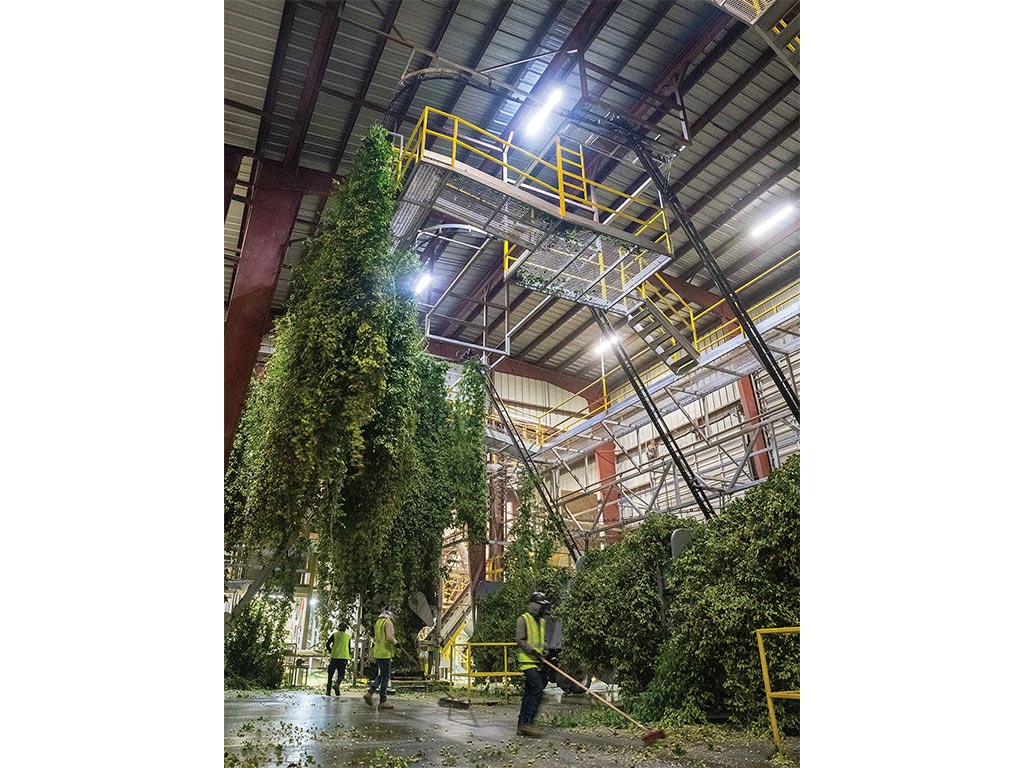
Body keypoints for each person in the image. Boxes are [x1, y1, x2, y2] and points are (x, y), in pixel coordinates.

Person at [515, 591, 550, 737]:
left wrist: (545, 649)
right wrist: (534, 651)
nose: (543, 609)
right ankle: (526, 723)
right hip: (527, 662)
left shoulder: (541, 621)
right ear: (534, 605)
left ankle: (523, 723)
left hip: (538, 662)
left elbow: (543, 639)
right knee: (537, 689)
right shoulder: (523, 619)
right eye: (541, 606)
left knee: (530, 692)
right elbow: (520, 640)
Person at [363, 605, 396, 710]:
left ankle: (370, 692)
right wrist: (396, 643)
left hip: (378, 652)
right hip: (385, 652)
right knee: (386, 676)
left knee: (383, 675)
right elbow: (389, 637)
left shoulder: (378, 622)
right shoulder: (388, 622)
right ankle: (383, 700)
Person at [325, 622, 351, 697]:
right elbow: (348, 648)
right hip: (344, 658)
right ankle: (337, 684)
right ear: (345, 629)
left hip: (335, 657)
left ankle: (328, 691)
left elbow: (327, 644)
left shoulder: (335, 635)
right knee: (341, 675)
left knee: (330, 674)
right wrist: (348, 656)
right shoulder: (348, 637)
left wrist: (331, 651)